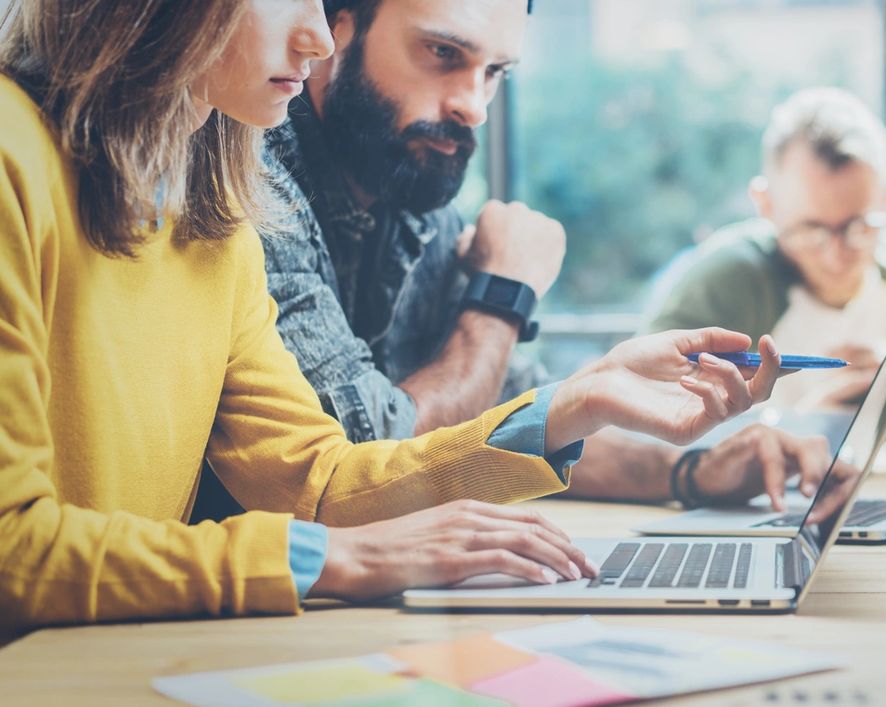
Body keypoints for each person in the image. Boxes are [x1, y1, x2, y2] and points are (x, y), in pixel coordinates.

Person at [0, 0, 784, 630]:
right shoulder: (13, 156)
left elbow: (320, 480)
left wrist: (571, 405)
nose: (316, 35)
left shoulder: (219, 210)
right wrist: (325, 560)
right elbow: (13, 549)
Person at [237, 0, 831, 514]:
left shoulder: (410, 184)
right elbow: (360, 471)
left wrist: (692, 473)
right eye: (442, 52)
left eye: (494, 72)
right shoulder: (247, 178)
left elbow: (505, 423)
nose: (475, 105)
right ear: (334, 25)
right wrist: (502, 295)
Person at [642, 87, 886, 411]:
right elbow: (636, 406)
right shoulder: (730, 282)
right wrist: (804, 425)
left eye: (859, 227)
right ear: (766, 204)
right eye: (810, 231)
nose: (835, 255)